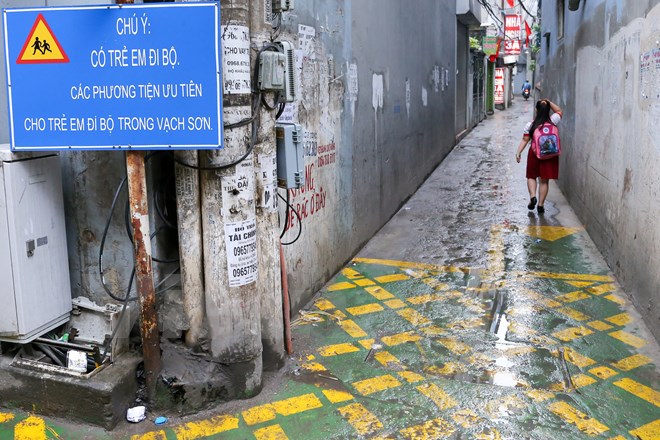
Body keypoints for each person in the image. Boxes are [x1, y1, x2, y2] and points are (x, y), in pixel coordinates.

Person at [515, 99, 563, 214]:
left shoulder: (531, 125)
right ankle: (541, 205)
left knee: (531, 176)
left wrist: (518, 152)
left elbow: (525, 140)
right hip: (549, 154)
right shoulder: (553, 120)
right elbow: (559, 110)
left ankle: (532, 197)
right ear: (548, 110)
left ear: (536, 110)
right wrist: (548, 101)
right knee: (544, 181)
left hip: (535, 154)